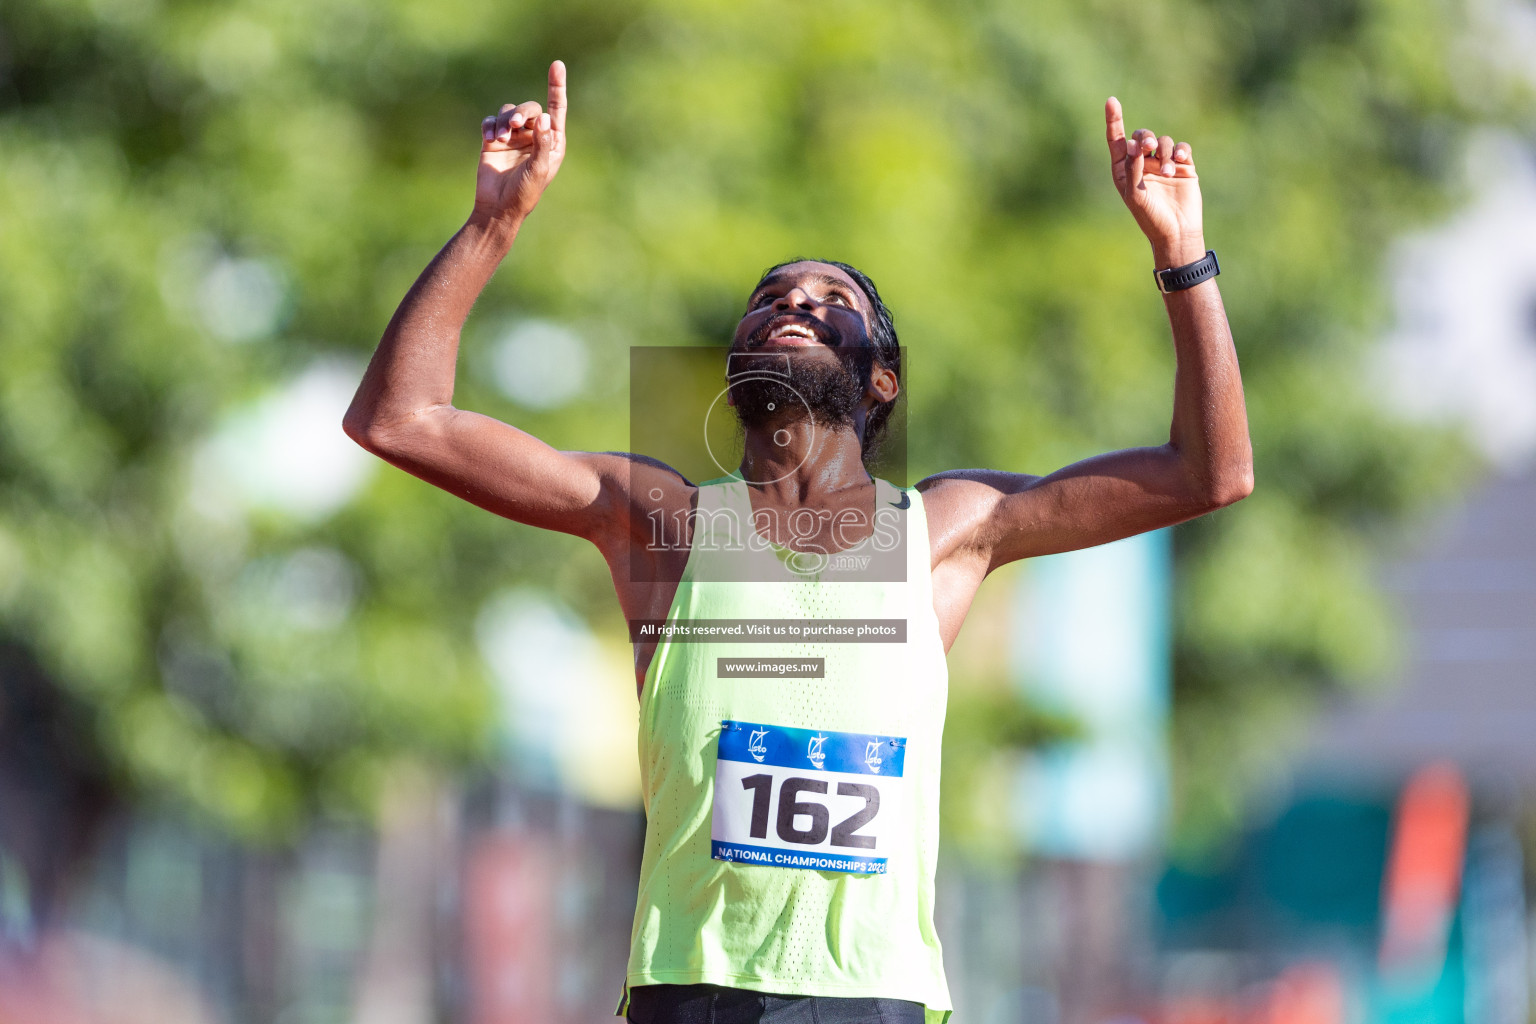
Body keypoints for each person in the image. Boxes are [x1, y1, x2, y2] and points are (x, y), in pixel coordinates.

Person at [344, 59, 1252, 1024]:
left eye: (830, 304)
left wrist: (1182, 253)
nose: (794, 307)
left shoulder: (946, 529)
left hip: (875, 997)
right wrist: (495, 222)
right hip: (698, 992)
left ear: (882, 380)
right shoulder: (665, 521)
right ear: (736, 360)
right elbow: (402, 420)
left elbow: (1210, 473)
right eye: (771, 300)